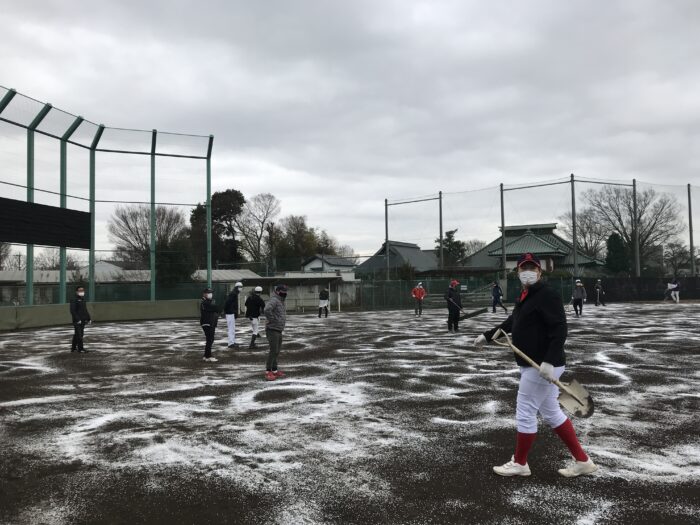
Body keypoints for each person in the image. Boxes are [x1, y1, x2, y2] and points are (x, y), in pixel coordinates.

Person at [473, 252, 598, 478]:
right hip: (536, 365)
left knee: (525, 410)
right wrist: (488, 335)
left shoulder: (547, 295)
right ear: (518, 272)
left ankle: (520, 463)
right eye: (523, 268)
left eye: (531, 268)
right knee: (551, 412)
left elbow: (560, 329)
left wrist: (549, 361)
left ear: (539, 272)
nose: (527, 272)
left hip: (541, 366)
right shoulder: (526, 295)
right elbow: (513, 322)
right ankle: (583, 461)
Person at [264, 284, 288, 381]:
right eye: (283, 291)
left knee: (276, 351)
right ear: (278, 291)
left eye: (286, 291)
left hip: (278, 329)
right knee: (273, 350)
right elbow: (266, 310)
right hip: (272, 329)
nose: (285, 293)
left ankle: (274, 370)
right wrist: (272, 319)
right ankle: (268, 371)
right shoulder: (274, 300)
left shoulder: (280, 301)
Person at [200, 287, 221, 362]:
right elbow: (216, 308)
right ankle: (208, 356)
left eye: (211, 293)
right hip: (207, 323)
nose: (210, 294)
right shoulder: (205, 303)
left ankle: (206, 355)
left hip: (210, 323)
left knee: (210, 339)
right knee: (210, 339)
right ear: (204, 294)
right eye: (208, 293)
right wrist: (217, 308)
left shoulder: (207, 302)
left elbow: (215, 309)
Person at [69, 286, 91, 353]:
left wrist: (88, 318)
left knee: (77, 334)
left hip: (83, 320)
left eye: (82, 290)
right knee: (79, 334)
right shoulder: (74, 299)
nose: (82, 292)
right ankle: (80, 349)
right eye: (80, 290)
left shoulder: (83, 299)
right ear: (76, 292)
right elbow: (73, 311)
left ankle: (73, 348)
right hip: (77, 321)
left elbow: (85, 310)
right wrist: (77, 319)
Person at [224, 281, 243, 348]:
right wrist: (232, 311)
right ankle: (231, 343)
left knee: (232, 328)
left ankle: (232, 342)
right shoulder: (233, 294)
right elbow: (228, 303)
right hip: (230, 313)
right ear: (237, 287)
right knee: (231, 329)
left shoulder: (234, 293)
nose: (241, 288)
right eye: (240, 287)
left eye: (241, 287)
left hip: (231, 313)